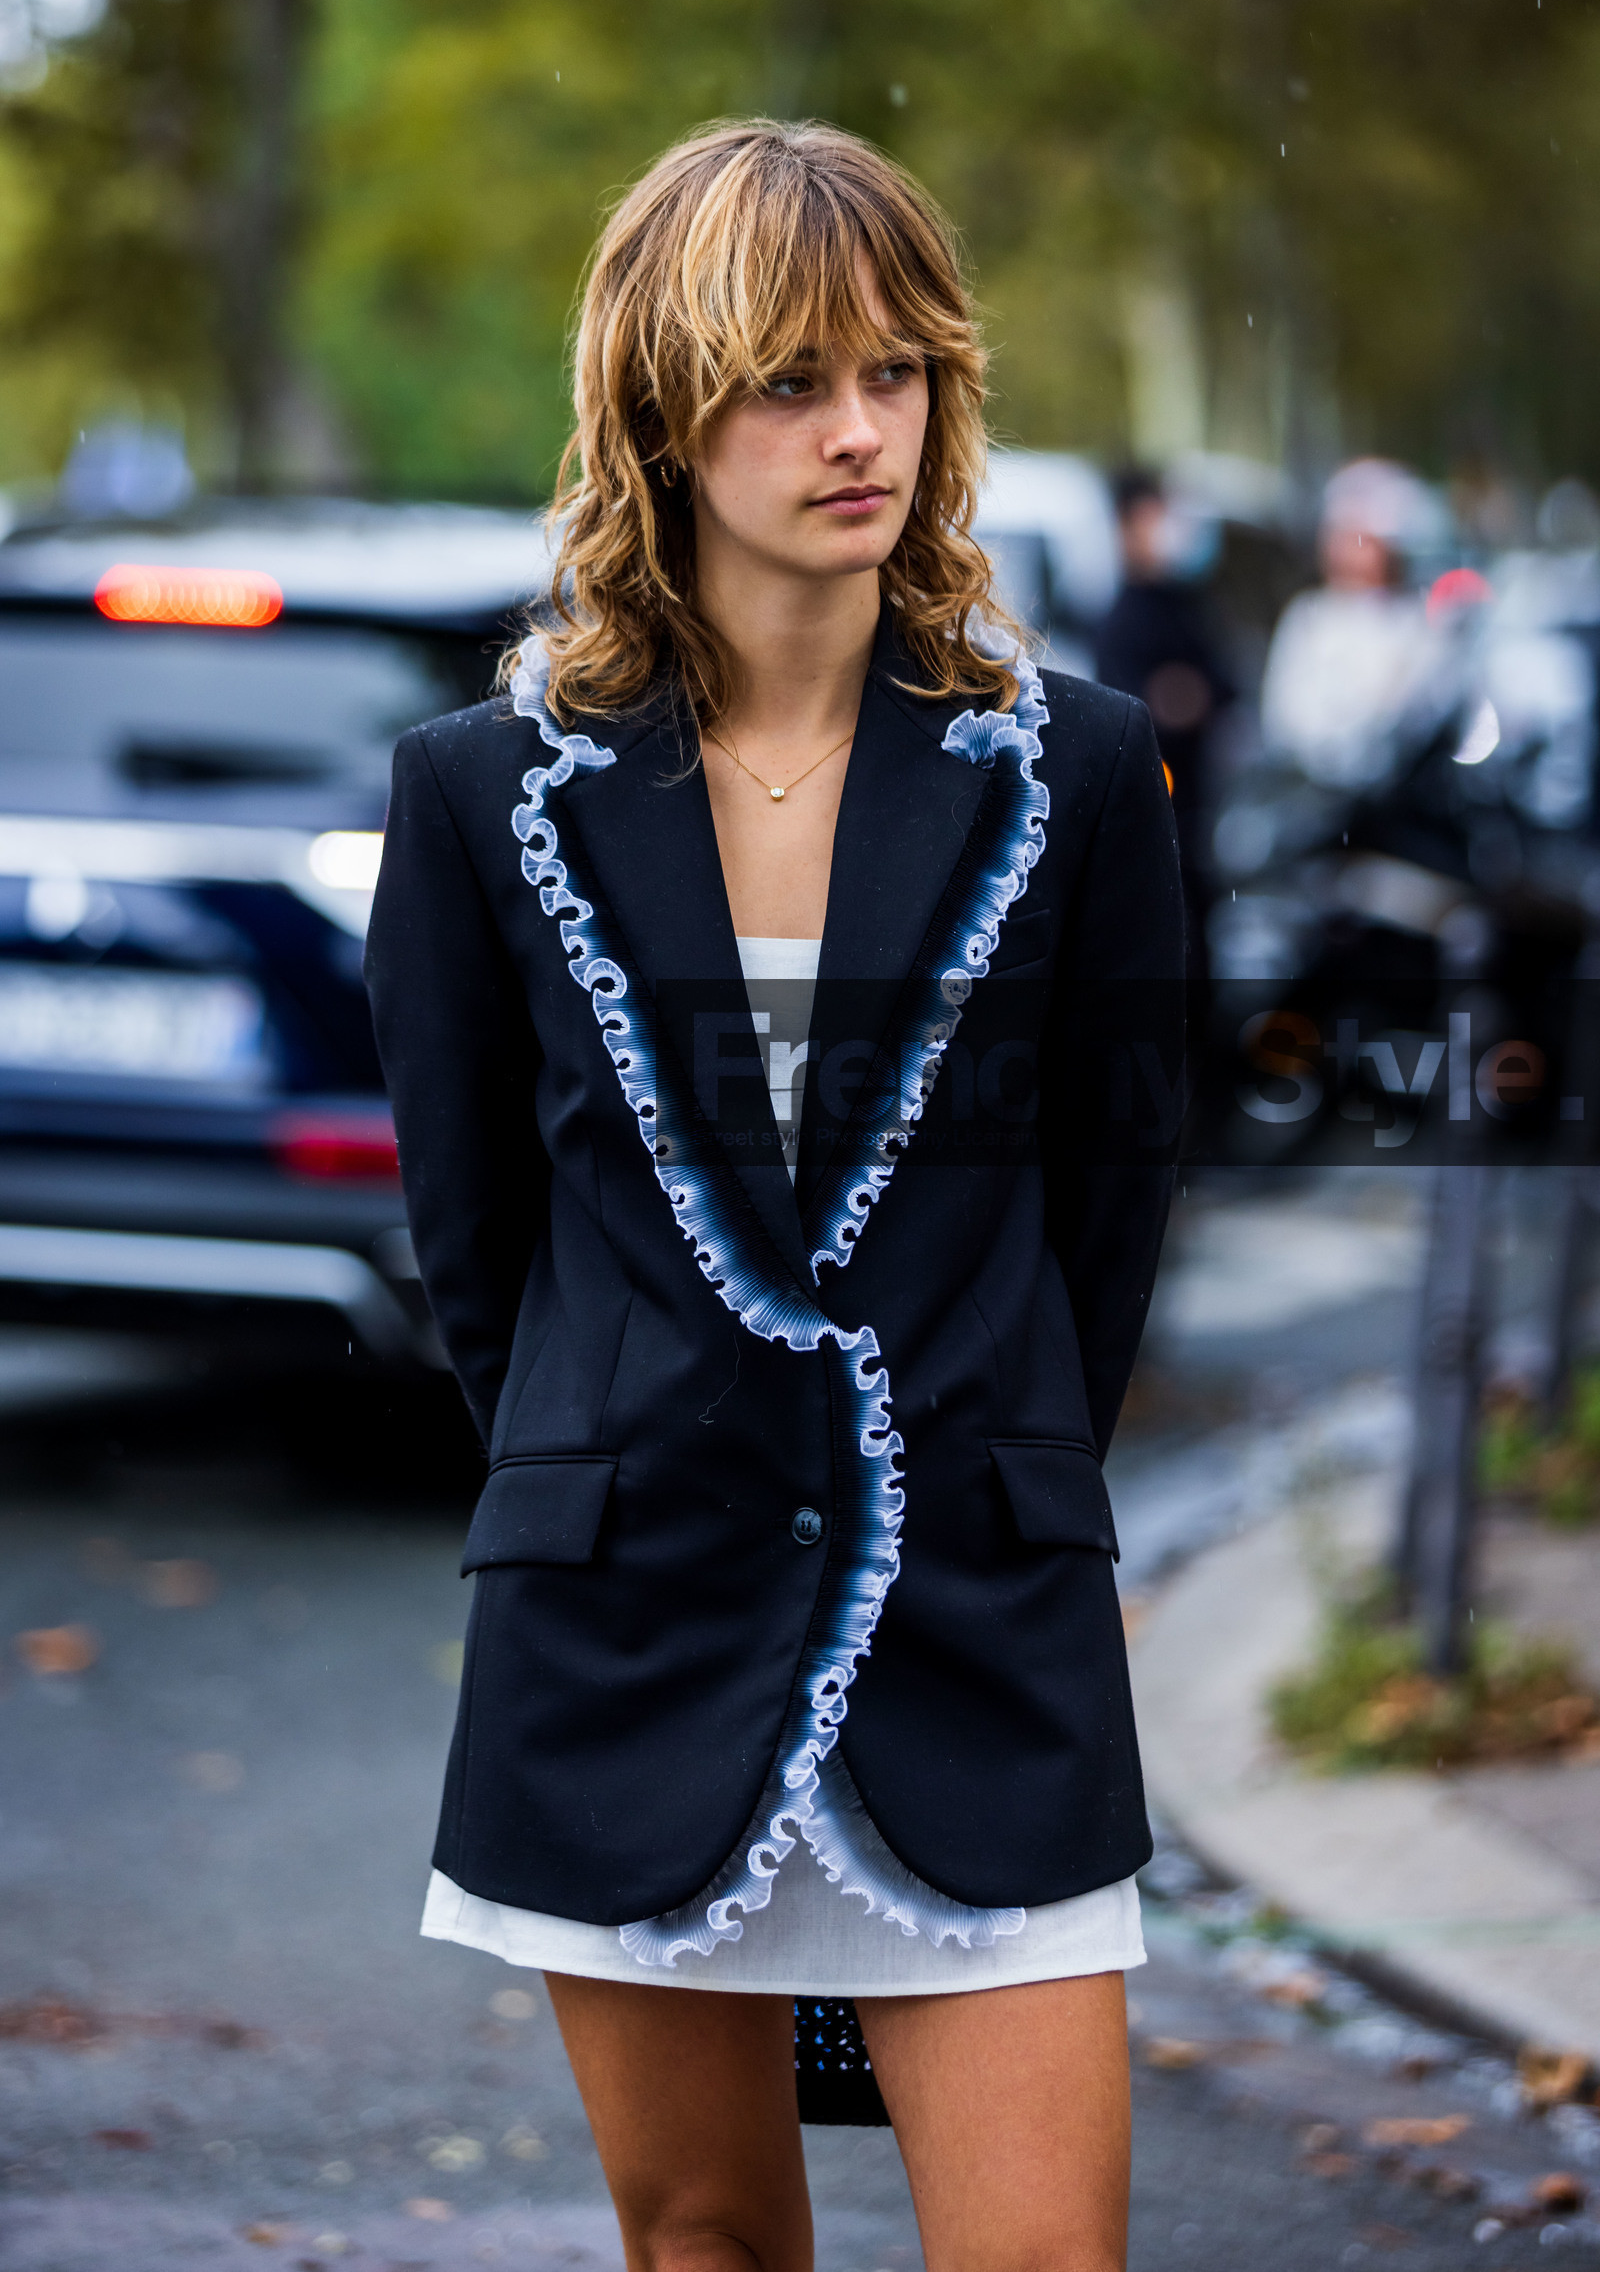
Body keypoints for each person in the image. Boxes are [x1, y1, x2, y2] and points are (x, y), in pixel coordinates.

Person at [365, 120, 1183, 2272]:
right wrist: (629, 1464)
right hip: (625, 1637)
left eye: (897, 371)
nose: (859, 432)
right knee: (707, 2240)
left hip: (979, 1634)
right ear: (663, 413)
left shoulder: (1080, 764)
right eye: (793, 380)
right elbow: (481, 1242)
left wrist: (984, 1466)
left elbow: (1107, 1214)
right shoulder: (478, 791)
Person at [1095, 467, 1233, 954]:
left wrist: (1184, 696)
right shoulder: (1121, 620)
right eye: (1152, 517)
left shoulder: (1186, 605)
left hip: (1200, 805)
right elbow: (1134, 712)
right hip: (1152, 809)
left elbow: (1223, 687)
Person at [1259, 457, 1449, 792]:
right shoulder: (1310, 617)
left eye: (1363, 539)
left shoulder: (1415, 624)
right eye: (1342, 536)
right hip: (1318, 795)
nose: (1346, 552)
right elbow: (1287, 720)